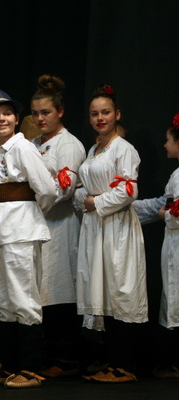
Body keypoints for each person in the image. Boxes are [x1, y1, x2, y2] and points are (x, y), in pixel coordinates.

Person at [0, 89, 57, 388]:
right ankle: (9, 365)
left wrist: (29, 213)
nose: (2, 119)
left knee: (23, 297)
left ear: (17, 118)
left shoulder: (22, 148)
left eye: (7, 113)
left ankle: (31, 367)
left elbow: (47, 190)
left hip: (20, 231)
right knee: (2, 300)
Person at [76, 84, 147, 383]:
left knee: (120, 289)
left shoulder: (124, 149)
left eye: (105, 112)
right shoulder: (94, 149)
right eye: (95, 114)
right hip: (95, 226)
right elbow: (84, 187)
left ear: (117, 114)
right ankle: (111, 360)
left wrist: (96, 202)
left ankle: (125, 364)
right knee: (102, 289)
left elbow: (129, 190)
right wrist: (83, 198)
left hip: (117, 226)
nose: (100, 118)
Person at [30, 75, 86, 378]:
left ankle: (66, 358)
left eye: (46, 112)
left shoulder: (69, 144)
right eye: (35, 113)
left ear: (60, 112)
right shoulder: (33, 144)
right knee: (40, 290)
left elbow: (63, 189)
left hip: (59, 225)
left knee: (58, 289)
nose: (40, 119)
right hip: (36, 225)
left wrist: (31, 198)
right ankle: (46, 353)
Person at [152, 113, 179, 378]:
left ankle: (172, 362)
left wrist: (165, 214)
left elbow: (173, 212)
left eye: (168, 140)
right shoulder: (176, 175)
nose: (164, 145)